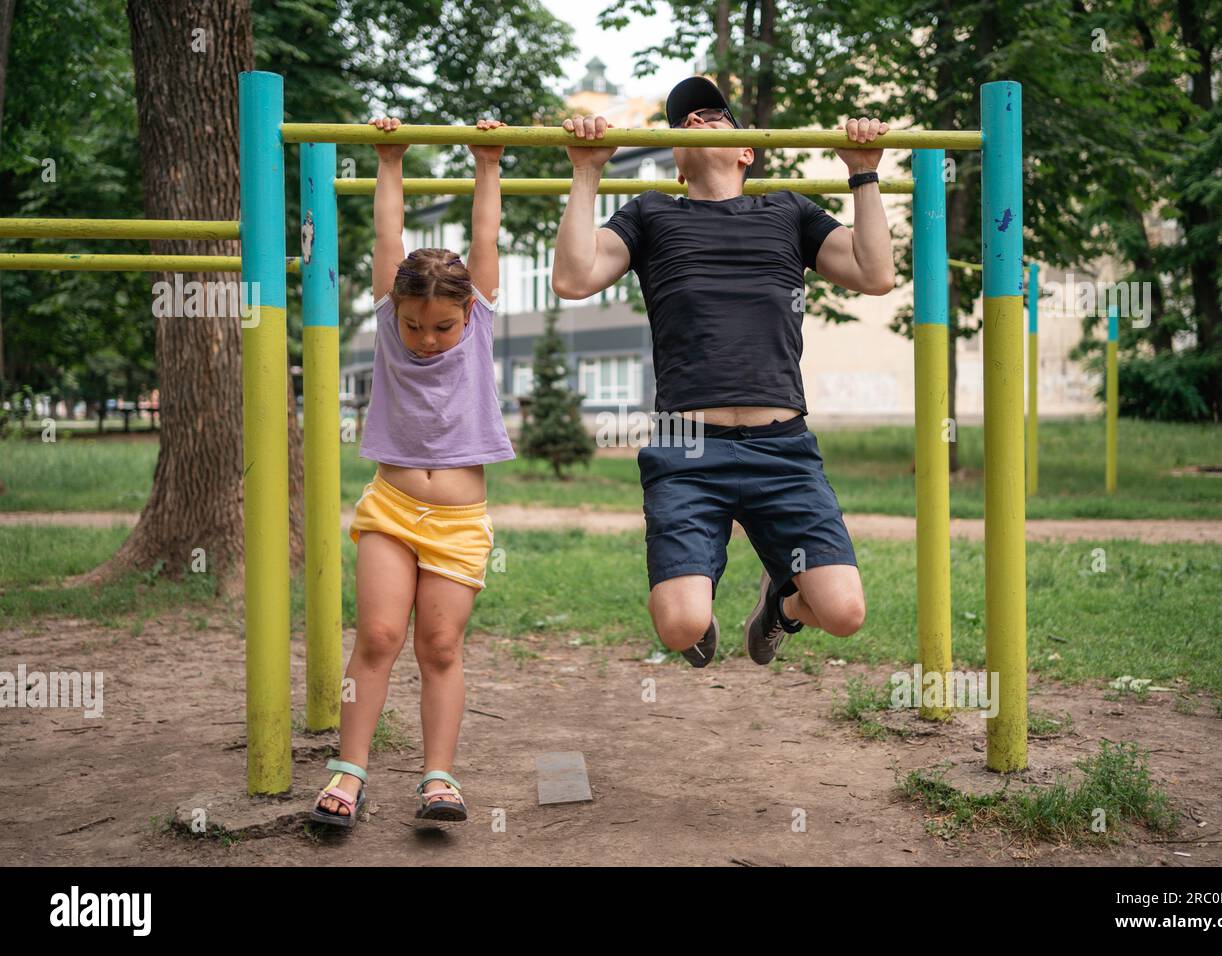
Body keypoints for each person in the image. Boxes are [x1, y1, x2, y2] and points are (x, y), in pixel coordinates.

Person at [551, 76, 893, 668]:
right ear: (677, 164)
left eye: (713, 114)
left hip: (780, 447)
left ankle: (781, 604)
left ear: (746, 149)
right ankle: (696, 614)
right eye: (685, 121)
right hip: (687, 448)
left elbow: (874, 273)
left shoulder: (788, 211)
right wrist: (586, 173)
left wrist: (863, 171)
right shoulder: (652, 215)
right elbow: (573, 279)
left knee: (843, 613)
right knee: (681, 625)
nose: (698, 121)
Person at [311, 116, 515, 828]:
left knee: (439, 646)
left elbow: (484, 239)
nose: (426, 340)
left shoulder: (479, 320)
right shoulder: (389, 318)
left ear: (466, 314)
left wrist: (487, 162)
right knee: (375, 638)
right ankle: (349, 770)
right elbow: (385, 240)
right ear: (395, 313)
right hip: (391, 510)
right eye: (414, 326)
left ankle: (438, 779)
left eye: (441, 327)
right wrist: (389, 161)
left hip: (459, 523)